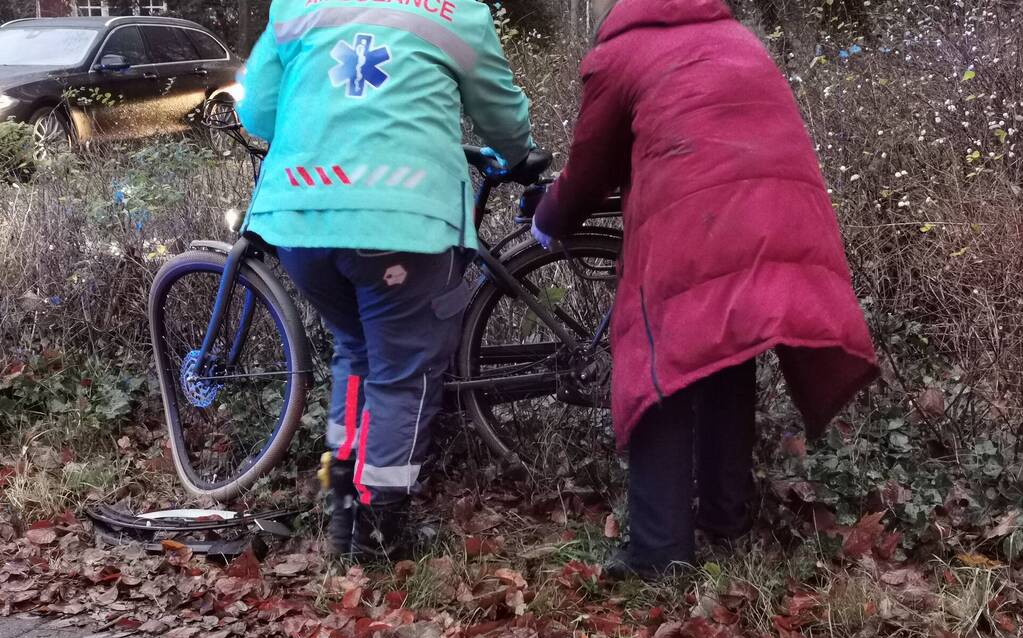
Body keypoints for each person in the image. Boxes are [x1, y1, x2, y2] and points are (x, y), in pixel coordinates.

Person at [529, 0, 880, 578]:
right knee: (726, 352)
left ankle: (659, 553)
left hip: (700, 223)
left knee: (658, 369)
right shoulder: (739, 39)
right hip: (780, 216)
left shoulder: (621, 53)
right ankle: (726, 519)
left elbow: (590, 168)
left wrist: (547, 218)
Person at [238, 0, 533, 561]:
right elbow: (501, 115)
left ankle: (341, 516)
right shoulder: (455, 11)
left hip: (304, 221)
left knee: (355, 352)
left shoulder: (295, 7)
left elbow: (256, 113)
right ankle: (377, 535)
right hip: (405, 227)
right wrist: (520, 156)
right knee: (403, 372)